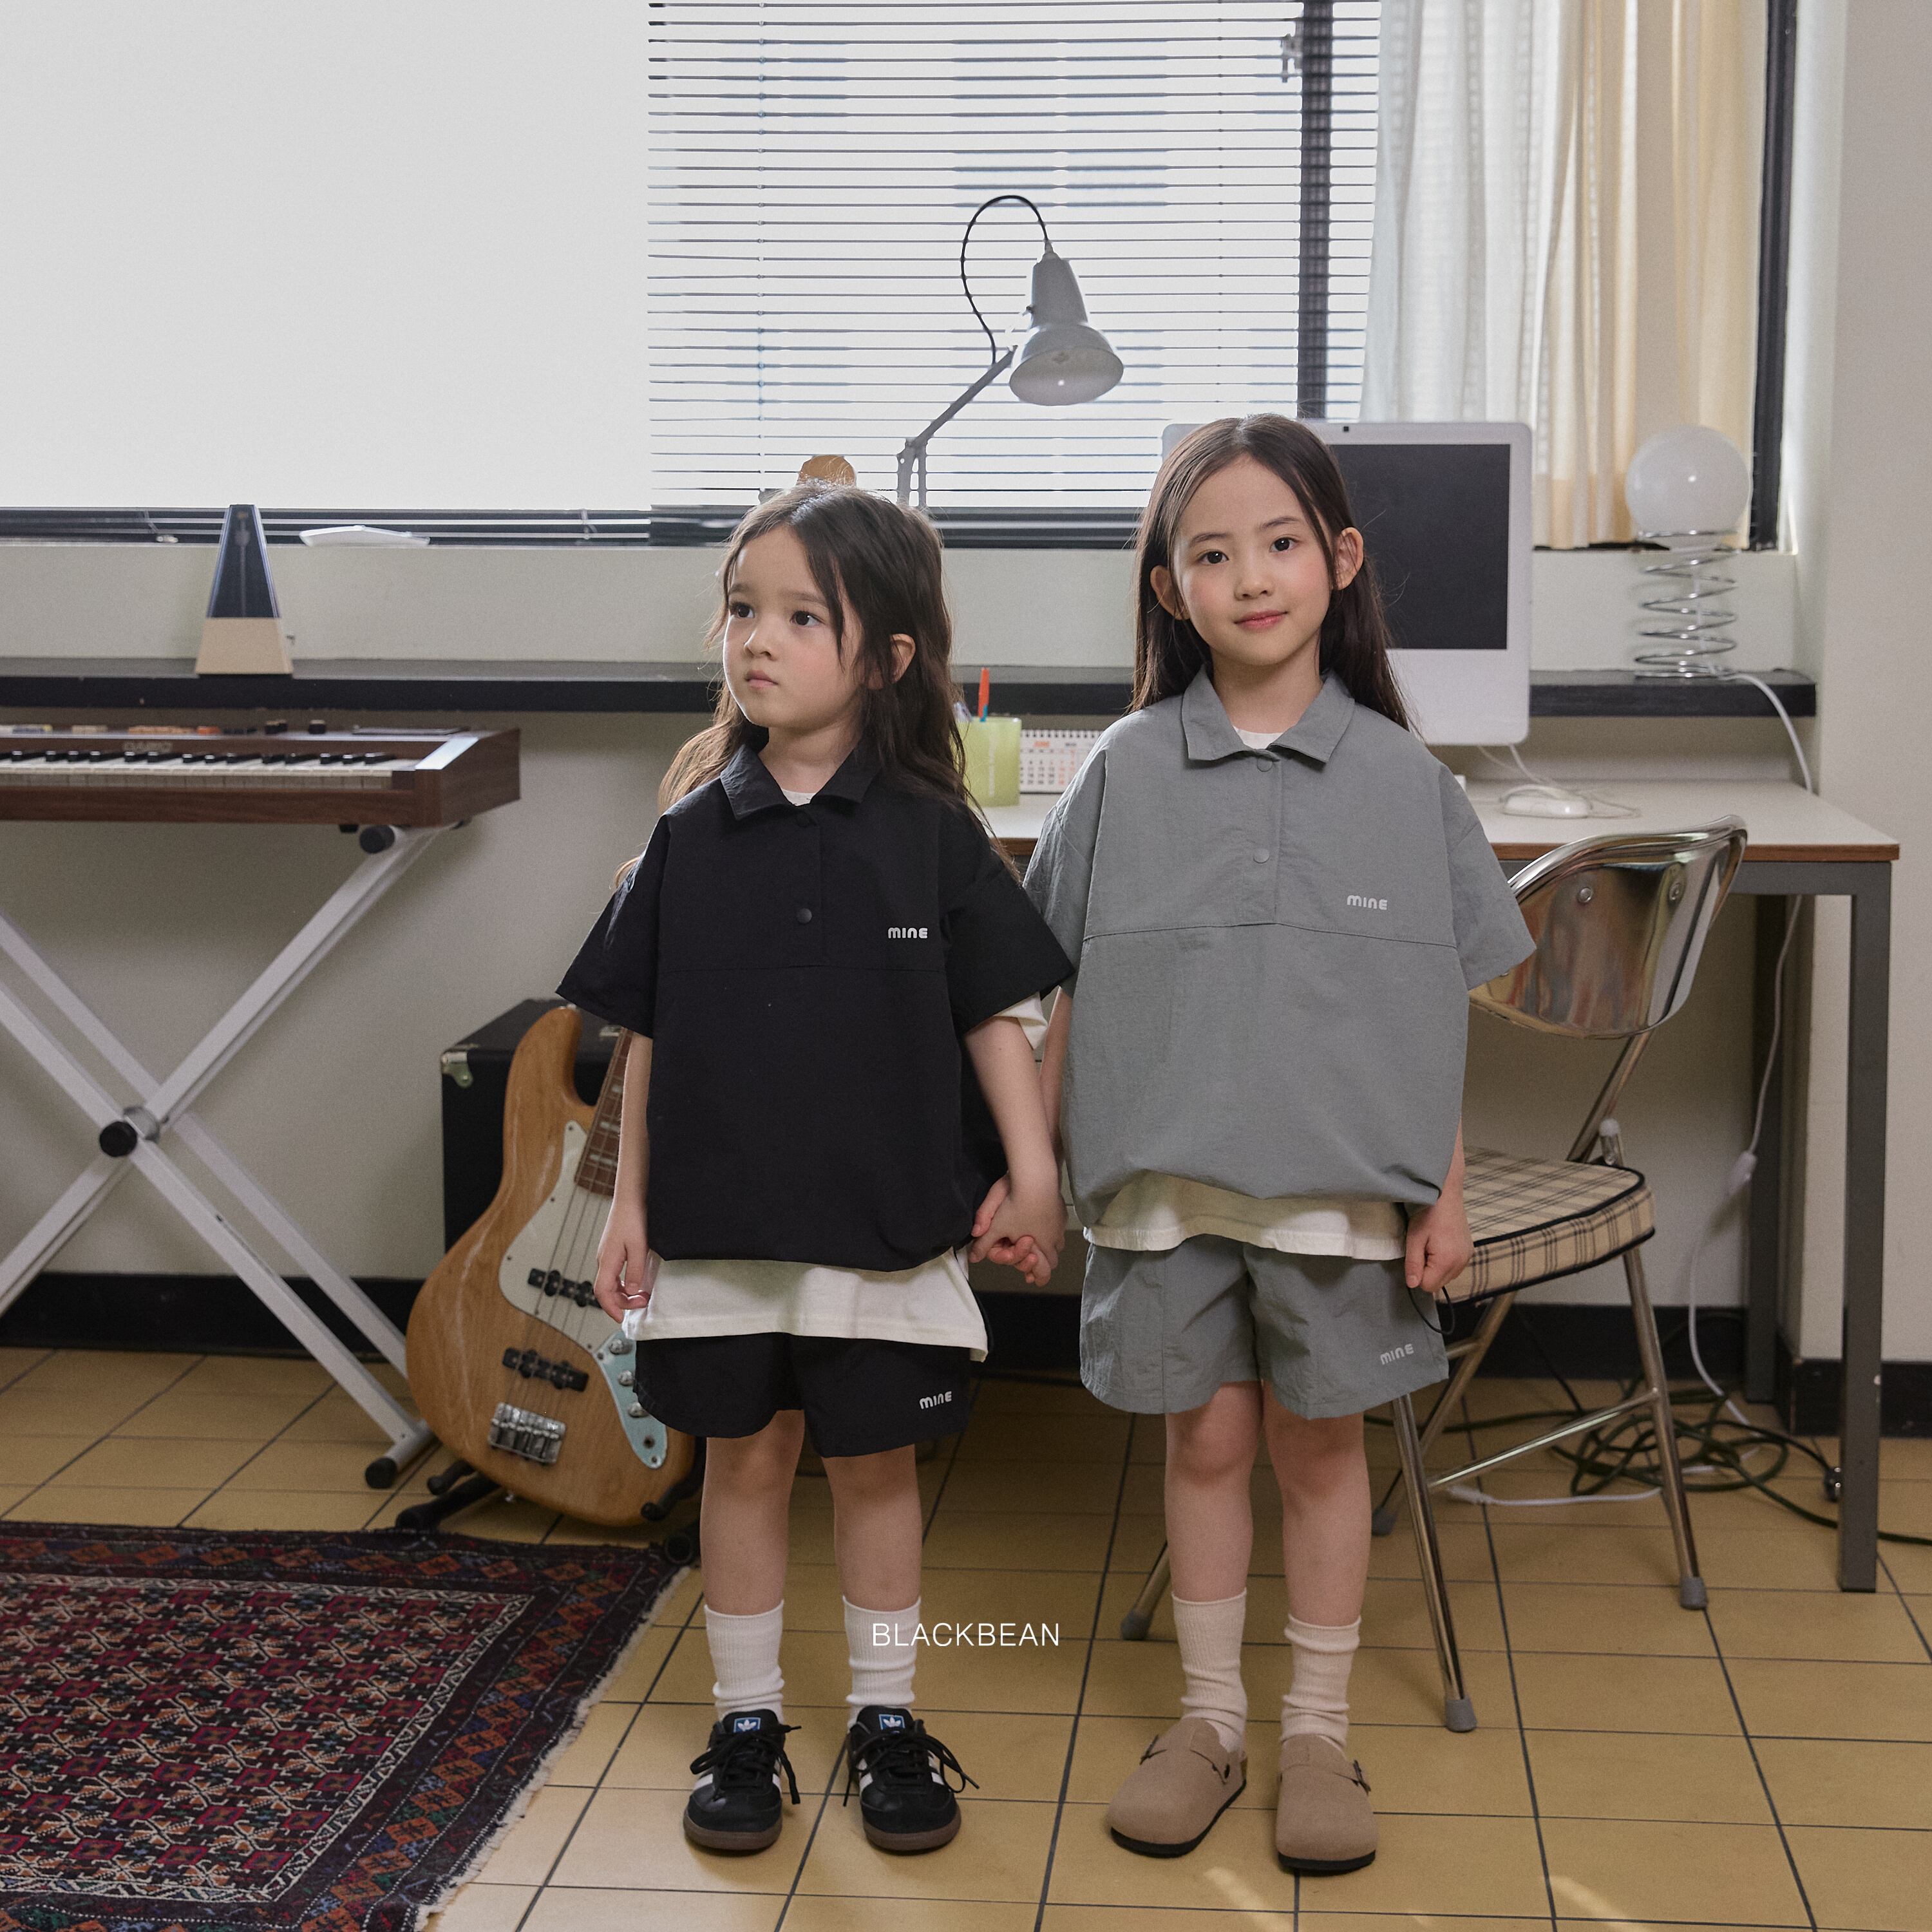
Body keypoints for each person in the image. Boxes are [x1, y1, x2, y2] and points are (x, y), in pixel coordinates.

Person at [1016, 415, 1531, 1877]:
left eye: (1282, 543)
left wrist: (1442, 1193)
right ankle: (1209, 1723)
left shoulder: (1408, 784)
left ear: (1341, 560)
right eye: (1212, 553)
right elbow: (1057, 990)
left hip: (1340, 1203)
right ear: (1169, 589)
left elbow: (1434, 1010)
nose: (1251, 577)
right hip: (1163, 1191)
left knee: (1318, 1451)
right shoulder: (1121, 770)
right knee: (1207, 1440)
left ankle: (1316, 1730)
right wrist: (1036, 1172)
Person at [558, 482, 1070, 1859]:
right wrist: (629, 1206)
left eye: (799, 616)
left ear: (888, 657)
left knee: (874, 1471)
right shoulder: (686, 835)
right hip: (720, 1230)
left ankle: (888, 1720)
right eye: (743, 610)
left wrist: (1034, 1174)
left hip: (883, 1231)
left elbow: (1000, 1014)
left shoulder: (933, 832)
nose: (757, 641)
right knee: (743, 1461)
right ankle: (746, 1725)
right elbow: (647, 1034)